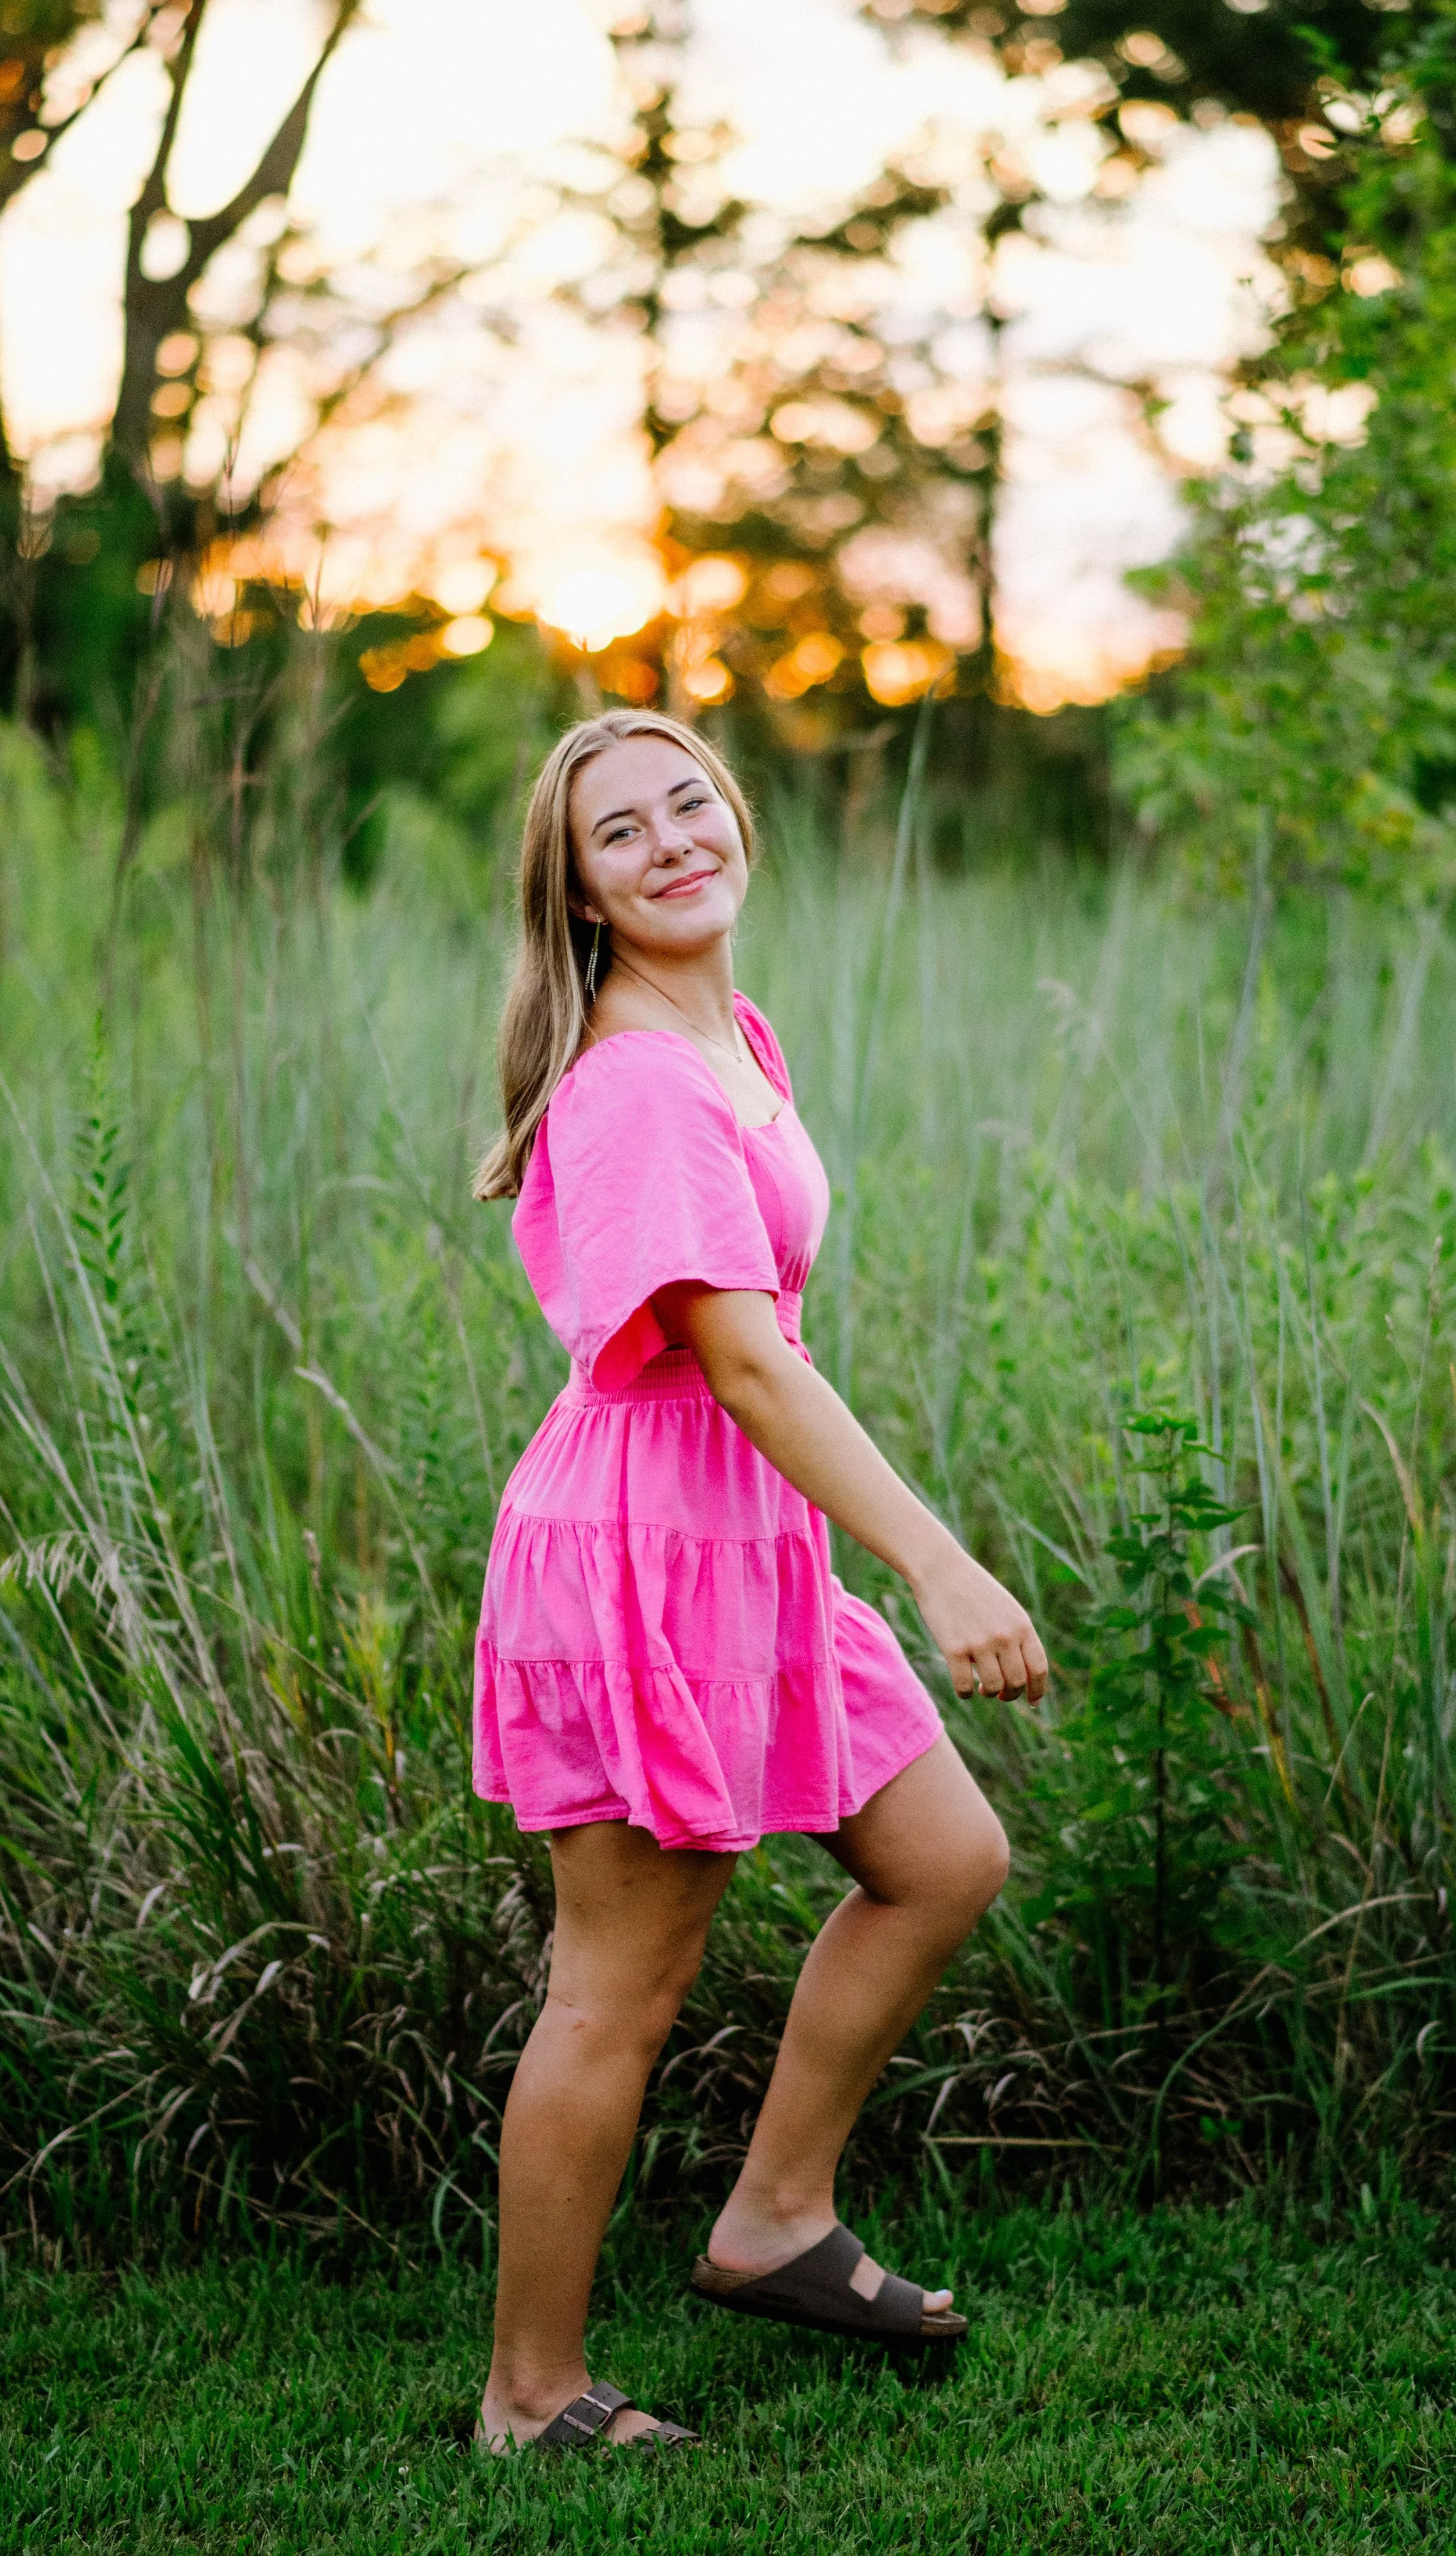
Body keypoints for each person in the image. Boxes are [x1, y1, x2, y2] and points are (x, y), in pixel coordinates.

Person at [469, 710, 1047, 2453]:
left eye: (686, 804)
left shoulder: (732, 1040)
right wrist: (936, 1562)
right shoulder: (637, 1079)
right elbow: (741, 1363)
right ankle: (530, 2393)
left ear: (736, 818)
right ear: (575, 896)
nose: (667, 844)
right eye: (617, 835)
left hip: (748, 1540)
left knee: (940, 1854)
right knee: (615, 1990)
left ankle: (772, 2217)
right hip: (645, 1553)